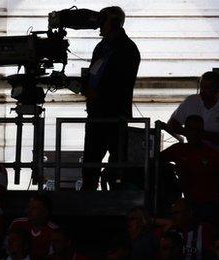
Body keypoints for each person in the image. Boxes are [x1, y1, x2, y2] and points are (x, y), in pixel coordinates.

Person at [164, 71, 219, 230]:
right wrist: (191, 135)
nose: (203, 91)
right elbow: (172, 124)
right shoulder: (191, 101)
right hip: (194, 156)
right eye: (202, 87)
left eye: (208, 88)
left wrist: (197, 135)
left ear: (218, 89)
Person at [81, 6, 140, 191]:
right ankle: (88, 192)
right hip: (96, 112)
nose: (99, 25)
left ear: (114, 23)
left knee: (116, 160)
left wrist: (98, 93)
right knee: (91, 159)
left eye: (103, 21)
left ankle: (116, 192)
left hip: (114, 114)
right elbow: (93, 73)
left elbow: (121, 82)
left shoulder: (127, 49)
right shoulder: (101, 47)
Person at [161, 115, 219, 228]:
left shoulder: (213, 155)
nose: (193, 133)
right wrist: (173, 168)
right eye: (190, 129)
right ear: (185, 130)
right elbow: (156, 160)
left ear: (202, 132)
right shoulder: (179, 149)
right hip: (187, 205)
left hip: (209, 206)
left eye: (197, 130)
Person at [9, 193, 59, 260]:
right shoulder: (17, 224)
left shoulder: (54, 231)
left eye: (34, 208)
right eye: (29, 207)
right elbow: (6, 248)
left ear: (45, 212)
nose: (28, 210)